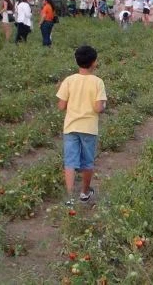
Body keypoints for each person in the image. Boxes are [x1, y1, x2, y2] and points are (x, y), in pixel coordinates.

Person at [55, 45, 107, 206]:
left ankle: (69, 197)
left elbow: (61, 106)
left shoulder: (69, 80)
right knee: (87, 162)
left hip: (71, 127)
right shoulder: (98, 82)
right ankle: (84, 192)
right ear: (94, 62)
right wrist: (104, 105)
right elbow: (98, 108)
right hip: (89, 128)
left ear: (77, 61)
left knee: (70, 162)